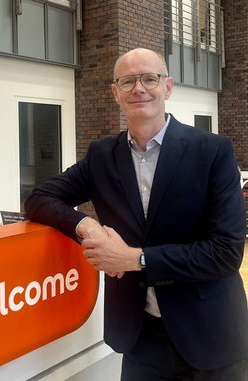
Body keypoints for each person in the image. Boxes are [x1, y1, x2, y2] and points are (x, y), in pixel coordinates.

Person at [25, 48, 248, 380]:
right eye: (128, 81)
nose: (139, 88)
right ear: (116, 93)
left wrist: (136, 259)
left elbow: (226, 253)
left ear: (168, 87)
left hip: (209, 332)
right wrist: (86, 224)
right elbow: (39, 198)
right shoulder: (103, 155)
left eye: (149, 78)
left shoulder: (212, 151)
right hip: (141, 336)